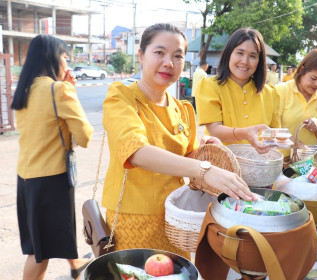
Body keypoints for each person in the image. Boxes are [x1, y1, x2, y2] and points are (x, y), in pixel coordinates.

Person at [102, 23, 256, 259]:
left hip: (177, 218)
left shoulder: (183, 109)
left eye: (178, 56)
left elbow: (187, 158)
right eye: (159, 53)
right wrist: (204, 168)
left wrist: (205, 153)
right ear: (141, 55)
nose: (169, 63)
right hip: (132, 218)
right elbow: (137, 152)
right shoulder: (121, 97)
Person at [11, 34, 94, 280]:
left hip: (26, 180)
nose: (67, 64)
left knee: (50, 236)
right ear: (51, 57)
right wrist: (69, 90)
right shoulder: (58, 90)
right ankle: (74, 263)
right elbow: (85, 136)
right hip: (52, 180)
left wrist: (65, 87)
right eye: (65, 58)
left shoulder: (25, 89)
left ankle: (76, 262)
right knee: (41, 252)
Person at [195, 27, 280, 154]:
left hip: (258, 166)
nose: (245, 61)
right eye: (240, 53)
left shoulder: (270, 93)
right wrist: (246, 134)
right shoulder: (210, 86)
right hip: (220, 164)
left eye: (252, 56)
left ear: (259, 61)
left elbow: (273, 133)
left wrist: (271, 142)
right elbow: (215, 130)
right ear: (229, 54)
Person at [275, 49, 317, 152]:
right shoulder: (281, 90)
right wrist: (299, 145)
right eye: (313, 78)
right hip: (281, 160)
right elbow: (273, 129)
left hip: (306, 162)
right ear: (302, 70)